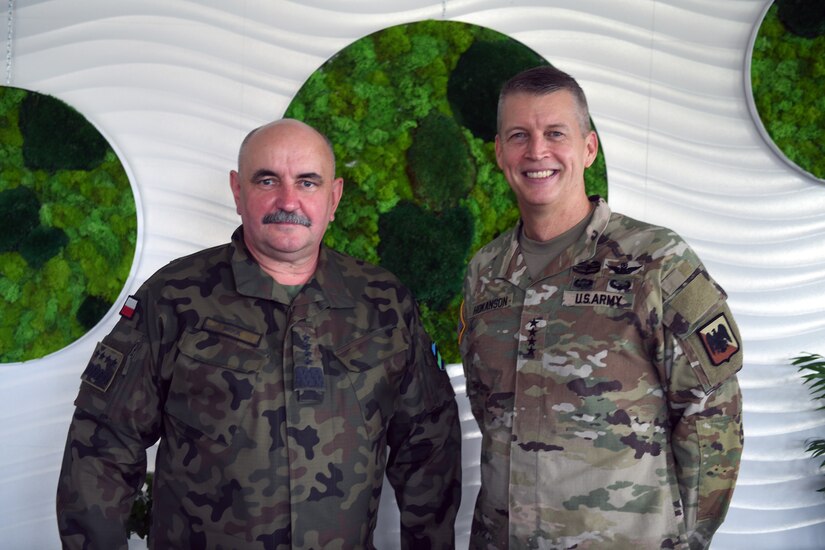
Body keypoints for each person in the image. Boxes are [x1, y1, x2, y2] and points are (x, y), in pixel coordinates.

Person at [56, 118, 462, 549]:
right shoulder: (173, 297)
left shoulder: (384, 301)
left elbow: (428, 448)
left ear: (334, 196)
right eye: (267, 180)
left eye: (308, 182)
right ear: (237, 190)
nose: (288, 200)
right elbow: (101, 450)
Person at [458, 65, 743, 549]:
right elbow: (489, 409)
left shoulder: (656, 261)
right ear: (500, 152)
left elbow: (711, 417)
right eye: (519, 136)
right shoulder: (485, 271)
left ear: (588, 148)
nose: (537, 151)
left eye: (555, 133)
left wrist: (688, 541)